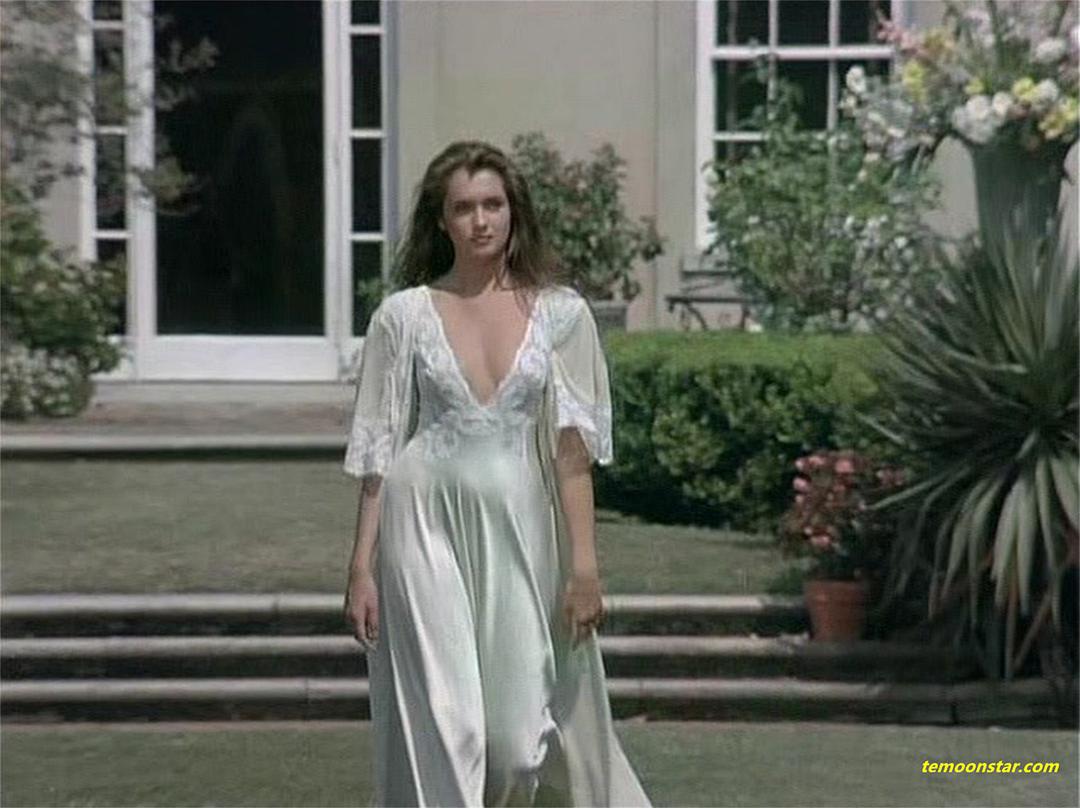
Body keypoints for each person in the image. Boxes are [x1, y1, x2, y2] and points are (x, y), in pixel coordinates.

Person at [342, 140, 652, 807]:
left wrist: (585, 567)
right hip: (420, 526)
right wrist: (361, 565)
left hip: (521, 533)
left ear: (514, 212)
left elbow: (573, 457)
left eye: (493, 204)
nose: (480, 221)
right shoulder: (402, 316)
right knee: (450, 732)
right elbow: (379, 450)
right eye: (463, 208)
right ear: (441, 220)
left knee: (513, 745)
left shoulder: (563, 315)